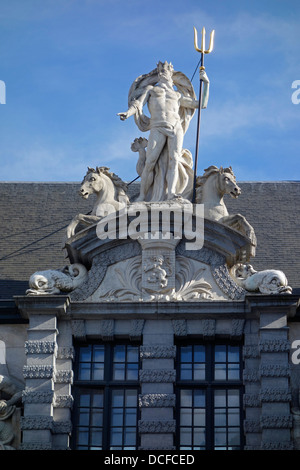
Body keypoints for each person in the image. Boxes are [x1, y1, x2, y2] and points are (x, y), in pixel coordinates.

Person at [118, 61, 209, 201]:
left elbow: (201, 105)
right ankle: (143, 196)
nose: (162, 73)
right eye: (160, 71)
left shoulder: (177, 95)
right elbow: (138, 105)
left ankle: (171, 193)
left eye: (165, 71)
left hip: (175, 127)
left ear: (170, 74)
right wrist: (128, 112)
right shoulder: (151, 90)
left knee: (174, 160)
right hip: (158, 126)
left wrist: (206, 83)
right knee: (150, 162)